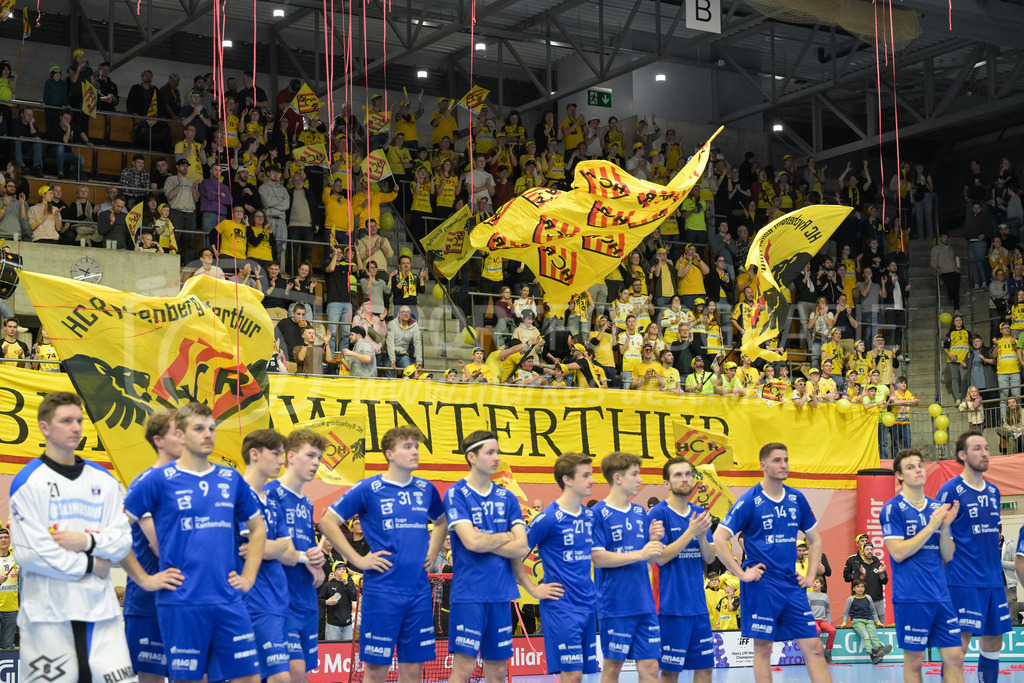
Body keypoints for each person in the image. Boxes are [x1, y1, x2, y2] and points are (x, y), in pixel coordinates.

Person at [124, 402, 266, 683]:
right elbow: (114, 531)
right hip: (181, 601)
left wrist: (248, 577)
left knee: (249, 677)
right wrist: (145, 579)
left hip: (228, 599)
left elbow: (258, 529)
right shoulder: (156, 480)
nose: (208, 434)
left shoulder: (231, 478)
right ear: (180, 434)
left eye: (211, 428)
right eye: (199, 428)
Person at [10, 393, 135, 682]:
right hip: (47, 618)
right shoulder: (29, 481)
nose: (76, 428)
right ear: (44, 427)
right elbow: (32, 553)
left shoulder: (102, 480)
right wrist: (92, 564)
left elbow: (122, 541)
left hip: (101, 615)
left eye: (79, 420)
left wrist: (86, 542)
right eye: (66, 421)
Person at [318, 426, 448, 683]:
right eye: (407, 446)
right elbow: (328, 522)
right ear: (389, 453)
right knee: (376, 671)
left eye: (416, 446)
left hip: (419, 593)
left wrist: (433, 552)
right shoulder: (368, 488)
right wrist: (356, 560)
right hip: (382, 594)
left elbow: (442, 522)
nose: (414, 452)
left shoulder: (425, 488)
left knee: (413, 671)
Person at [713, 442, 832, 683]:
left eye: (786, 459)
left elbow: (815, 540)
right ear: (763, 465)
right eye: (777, 460)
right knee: (763, 650)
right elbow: (719, 537)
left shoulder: (796, 498)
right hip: (762, 586)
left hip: (791, 586)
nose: (784, 465)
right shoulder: (749, 500)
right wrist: (741, 574)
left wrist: (810, 577)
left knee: (815, 649)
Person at [443, 431, 528, 683]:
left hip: (501, 595)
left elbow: (522, 547)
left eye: (498, 452)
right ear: (472, 456)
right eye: (490, 452)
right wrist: (504, 537)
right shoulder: (456, 493)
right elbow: (471, 541)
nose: (497, 457)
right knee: (464, 668)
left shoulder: (507, 497)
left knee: (499, 671)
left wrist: (487, 540)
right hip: (469, 595)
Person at [880, 448, 964, 683]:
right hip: (911, 597)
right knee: (915, 661)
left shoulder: (937, 508)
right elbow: (897, 553)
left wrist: (945, 526)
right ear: (899, 475)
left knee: (955, 657)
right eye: (910, 467)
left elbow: (947, 556)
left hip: (940, 595)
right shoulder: (892, 508)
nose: (917, 470)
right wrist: (931, 526)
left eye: (919, 465)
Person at [514, 453, 598, 683]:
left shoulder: (590, 516)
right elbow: (514, 556)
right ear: (567, 480)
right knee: (570, 676)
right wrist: (533, 589)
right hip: (561, 607)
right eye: (586, 475)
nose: (592, 480)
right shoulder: (548, 518)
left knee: (579, 676)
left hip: (588, 605)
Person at [937, 431, 1011, 682]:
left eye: (987, 448)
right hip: (962, 580)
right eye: (977, 448)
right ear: (962, 455)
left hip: (993, 580)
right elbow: (936, 535)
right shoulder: (950, 490)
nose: (985, 453)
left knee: (993, 641)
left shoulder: (993, 491)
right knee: (958, 647)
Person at [239, 429, 313, 683]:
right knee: (277, 677)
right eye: (276, 454)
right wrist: (273, 546)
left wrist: (270, 547)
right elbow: (255, 547)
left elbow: (289, 554)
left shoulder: (272, 504)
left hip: (278, 602)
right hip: (253, 600)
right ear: (255, 454)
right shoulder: (239, 495)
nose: (282, 461)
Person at [121, 411, 190, 683]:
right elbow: (162, 548)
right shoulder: (145, 483)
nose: (184, 438)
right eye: (177, 432)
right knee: (152, 679)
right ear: (159, 440)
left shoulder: (191, 484)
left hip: (187, 597)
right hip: (149, 601)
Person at [590, 452, 665, 683]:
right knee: (613, 667)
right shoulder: (597, 513)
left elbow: (647, 559)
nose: (640, 479)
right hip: (616, 604)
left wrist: (653, 543)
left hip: (644, 602)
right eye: (635, 474)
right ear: (618, 478)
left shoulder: (640, 512)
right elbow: (599, 558)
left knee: (651, 667)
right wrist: (642, 553)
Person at [264, 430, 329, 683]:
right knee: (291, 671)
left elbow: (311, 551)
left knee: (301, 675)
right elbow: (263, 547)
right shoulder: (270, 493)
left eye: (319, 457)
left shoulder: (307, 503)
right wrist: (303, 557)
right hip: (280, 600)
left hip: (307, 600)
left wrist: (319, 562)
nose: (316, 462)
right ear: (290, 456)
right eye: (310, 455)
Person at [647, 457, 716, 683]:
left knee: (705, 669)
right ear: (666, 483)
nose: (684, 479)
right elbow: (662, 557)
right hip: (670, 608)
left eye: (688, 474)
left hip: (698, 608)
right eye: (677, 475)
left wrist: (703, 535)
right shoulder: (658, 513)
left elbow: (709, 556)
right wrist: (690, 532)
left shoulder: (699, 512)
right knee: (670, 672)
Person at [839, 580, 889, 664]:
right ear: (854, 588)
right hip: (857, 621)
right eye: (858, 587)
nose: (860, 588)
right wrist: (844, 622)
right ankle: (872, 655)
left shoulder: (868, 598)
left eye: (862, 587)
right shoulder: (851, 599)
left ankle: (879, 648)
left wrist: (877, 622)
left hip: (869, 621)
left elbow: (873, 611)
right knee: (865, 636)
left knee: (873, 635)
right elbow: (846, 613)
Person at [319, 562, 358, 641]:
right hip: (333, 625)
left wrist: (346, 584)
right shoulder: (328, 585)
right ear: (334, 572)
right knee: (332, 650)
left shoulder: (350, 583)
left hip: (348, 625)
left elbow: (355, 598)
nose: (342, 571)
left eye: (344, 569)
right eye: (339, 569)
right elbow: (319, 600)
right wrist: (326, 602)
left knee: (348, 651)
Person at [807, 578, 835, 664]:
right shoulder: (808, 595)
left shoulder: (825, 596)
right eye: (814, 582)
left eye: (817, 582)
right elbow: (806, 608)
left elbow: (828, 610)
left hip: (823, 621)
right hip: (813, 620)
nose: (815, 584)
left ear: (821, 585)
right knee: (817, 630)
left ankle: (828, 652)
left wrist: (828, 621)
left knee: (832, 630)